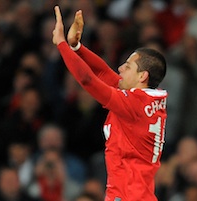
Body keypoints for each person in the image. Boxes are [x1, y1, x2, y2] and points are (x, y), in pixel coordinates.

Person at [52, 6, 168, 201]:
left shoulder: (134, 105)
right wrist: (76, 47)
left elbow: (88, 80)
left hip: (127, 196)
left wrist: (61, 44)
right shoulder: (145, 100)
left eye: (128, 66)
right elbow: (104, 73)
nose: (121, 68)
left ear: (142, 76)